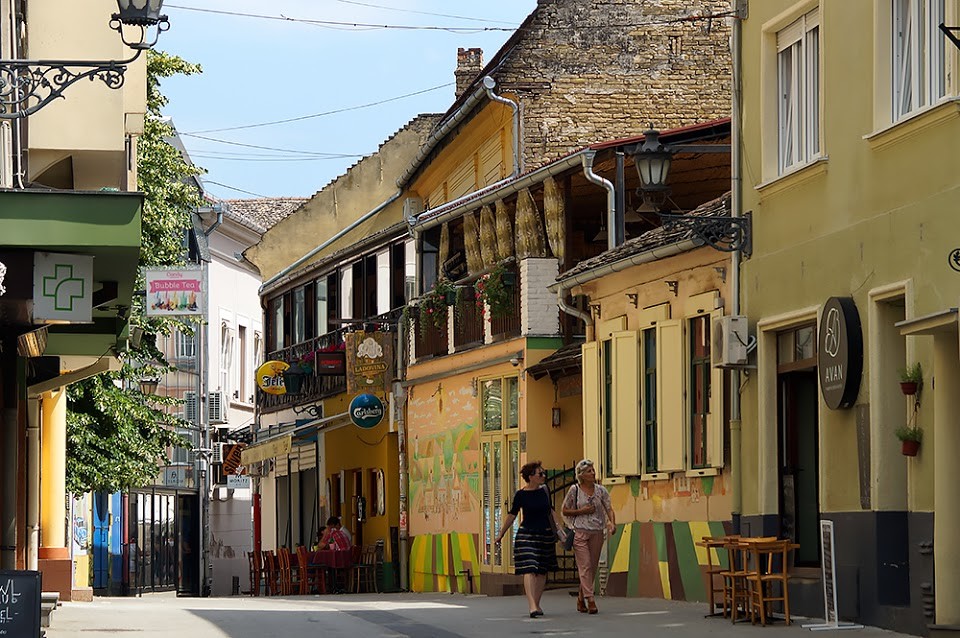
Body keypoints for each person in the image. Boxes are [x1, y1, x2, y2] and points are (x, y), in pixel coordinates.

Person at [495, 460, 562, 618]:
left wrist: (559, 528)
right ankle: (531, 605)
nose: (543, 475)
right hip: (527, 534)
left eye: (543, 472)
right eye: (540, 473)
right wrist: (501, 533)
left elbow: (550, 511)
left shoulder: (545, 490)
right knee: (530, 568)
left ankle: (537, 604)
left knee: (541, 571)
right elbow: (512, 514)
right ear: (530, 477)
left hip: (545, 534)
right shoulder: (521, 495)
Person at [561, 458, 615, 615]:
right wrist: (581, 511)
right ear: (582, 475)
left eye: (593, 470)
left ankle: (580, 598)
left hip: (597, 531)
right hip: (580, 532)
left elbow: (609, 508)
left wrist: (612, 523)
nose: (593, 473)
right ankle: (590, 600)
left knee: (592, 567)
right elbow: (565, 510)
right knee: (585, 566)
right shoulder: (574, 490)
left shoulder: (601, 490)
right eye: (589, 471)